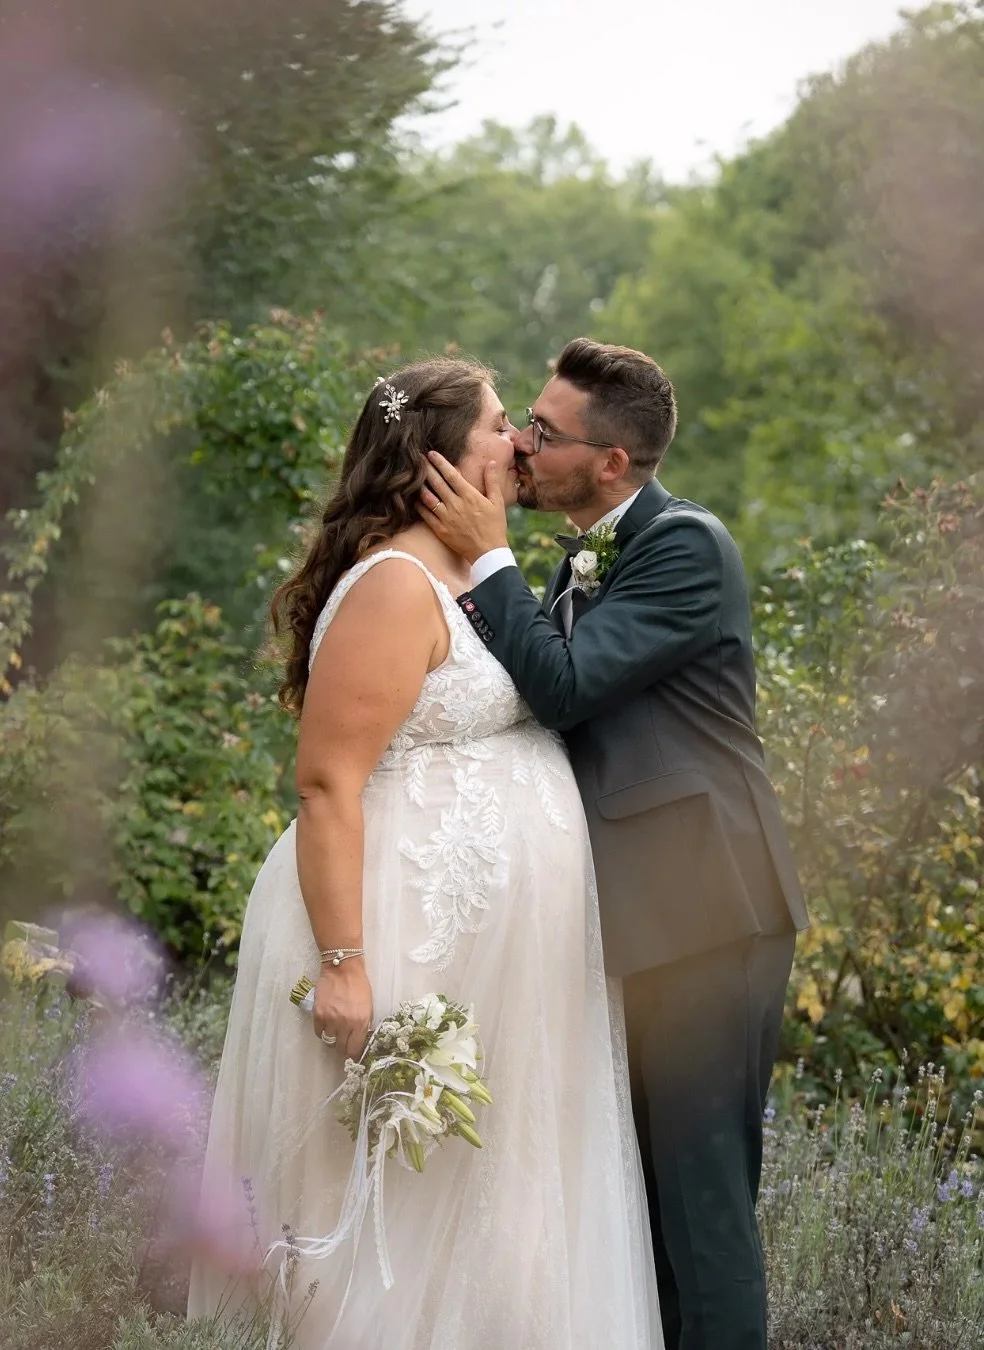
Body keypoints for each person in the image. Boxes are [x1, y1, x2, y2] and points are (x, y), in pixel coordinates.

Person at [186, 357, 664, 1350]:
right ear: (437, 459)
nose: (520, 443)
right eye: (499, 425)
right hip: (401, 931)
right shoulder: (396, 585)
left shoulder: (474, 571)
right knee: (385, 1198)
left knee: (482, 1196)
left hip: (496, 958)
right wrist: (345, 965)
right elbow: (327, 783)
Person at [419, 338, 809, 1350]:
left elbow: (567, 688)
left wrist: (491, 556)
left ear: (612, 463)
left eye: (543, 432)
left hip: (705, 915)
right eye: (522, 421)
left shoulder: (686, 546)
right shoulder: (582, 558)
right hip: (636, 919)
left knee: (701, 1209)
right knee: (641, 1206)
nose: (520, 443)